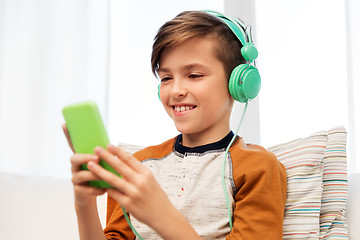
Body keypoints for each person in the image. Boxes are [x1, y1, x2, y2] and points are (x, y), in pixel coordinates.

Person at [63, 10, 287, 240]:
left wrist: (160, 215)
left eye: (194, 75)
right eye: (166, 78)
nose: (176, 90)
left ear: (238, 83)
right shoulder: (139, 165)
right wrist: (85, 204)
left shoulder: (257, 166)